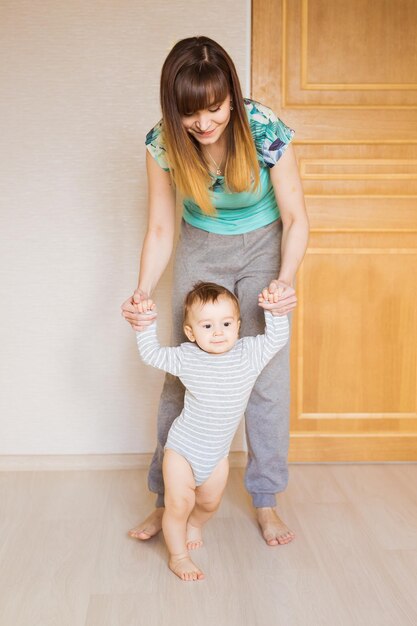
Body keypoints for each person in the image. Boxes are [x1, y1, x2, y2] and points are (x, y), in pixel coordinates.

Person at [122, 35, 309, 546]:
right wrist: (142, 292)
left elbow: (296, 218)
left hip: (265, 247)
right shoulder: (162, 141)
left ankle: (267, 501)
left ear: (232, 96)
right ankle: (167, 504)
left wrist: (284, 281)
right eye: (191, 114)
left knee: (266, 377)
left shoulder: (265, 127)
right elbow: (161, 228)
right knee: (185, 376)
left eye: (215, 109)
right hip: (200, 245)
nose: (203, 124)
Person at [136, 282, 290, 580]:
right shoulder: (187, 356)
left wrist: (273, 310)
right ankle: (178, 556)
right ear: (192, 333)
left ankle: (195, 525)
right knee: (178, 504)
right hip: (182, 449)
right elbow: (151, 355)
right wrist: (145, 323)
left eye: (226, 323)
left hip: (216, 455)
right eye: (207, 325)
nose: (218, 332)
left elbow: (277, 338)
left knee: (208, 504)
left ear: (238, 325)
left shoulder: (249, 353)